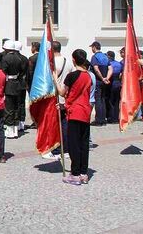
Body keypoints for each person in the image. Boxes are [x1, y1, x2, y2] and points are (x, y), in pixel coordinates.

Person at [53, 49, 93, 185]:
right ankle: (83, 172)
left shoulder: (72, 76)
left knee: (74, 144)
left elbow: (63, 93)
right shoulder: (88, 76)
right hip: (85, 111)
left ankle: (75, 174)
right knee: (83, 143)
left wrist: (55, 79)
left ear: (74, 60)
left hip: (75, 112)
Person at [45, 41, 75, 159]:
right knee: (64, 122)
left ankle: (57, 148)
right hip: (65, 95)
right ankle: (66, 147)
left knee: (54, 123)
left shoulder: (50, 63)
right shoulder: (68, 62)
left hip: (53, 95)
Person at [1, 40, 25, 139]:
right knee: (16, 106)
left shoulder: (5, 58)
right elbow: (22, 71)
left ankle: (9, 129)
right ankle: (15, 129)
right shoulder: (19, 58)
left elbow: (3, 71)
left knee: (9, 107)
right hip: (17, 83)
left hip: (9, 84)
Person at [89, 41, 109, 125]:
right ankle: (103, 119)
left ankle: (98, 120)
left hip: (97, 81)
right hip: (105, 82)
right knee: (103, 100)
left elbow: (96, 69)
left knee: (98, 100)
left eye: (92, 48)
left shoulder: (95, 57)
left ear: (94, 47)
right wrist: (106, 78)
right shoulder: (105, 56)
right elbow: (110, 68)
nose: (91, 49)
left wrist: (101, 78)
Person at [107, 49, 123, 124]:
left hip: (112, 83)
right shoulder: (119, 64)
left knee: (111, 101)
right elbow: (121, 74)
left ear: (109, 56)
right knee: (117, 102)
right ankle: (116, 118)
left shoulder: (109, 64)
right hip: (118, 83)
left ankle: (111, 118)